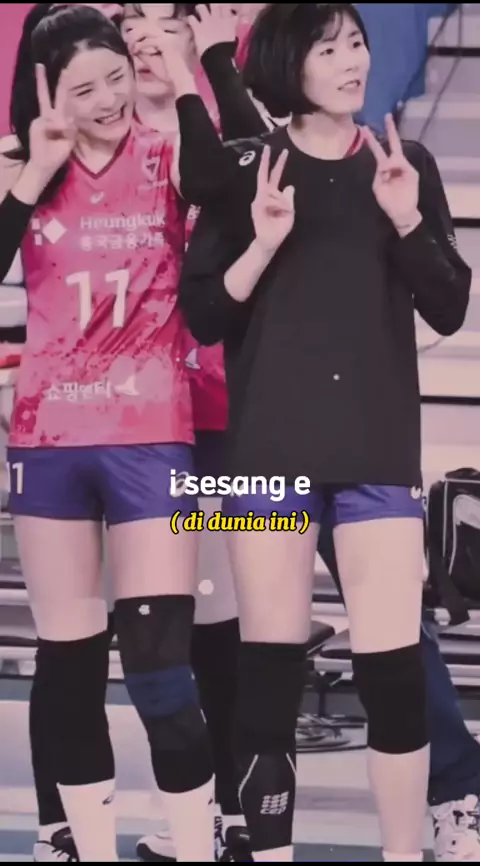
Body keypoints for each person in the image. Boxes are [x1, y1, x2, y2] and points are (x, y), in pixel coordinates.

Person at [178, 2, 472, 862]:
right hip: (267, 450)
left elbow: (449, 306)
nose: (352, 61)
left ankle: (402, 851)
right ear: (286, 64)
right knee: (267, 675)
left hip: (376, 446)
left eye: (356, 44)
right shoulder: (246, 167)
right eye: (329, 48)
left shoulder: (404, 163)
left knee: (394, 673)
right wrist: (263, 243)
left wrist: (407, 218)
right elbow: (203, 315)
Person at [0, 3, 261, 862]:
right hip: (49, 440)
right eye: (85, 89)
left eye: (117, 77)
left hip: (153, 436)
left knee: (159, 667)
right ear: (46, 93)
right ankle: (84, 844)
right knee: (70, 663)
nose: (109, 98)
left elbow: (229, 189)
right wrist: (32, 176)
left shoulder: (168, 151)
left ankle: (195, 842)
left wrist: (185, 75)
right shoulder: (21, 164)